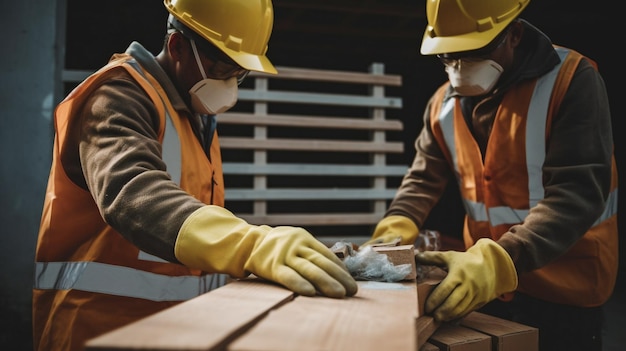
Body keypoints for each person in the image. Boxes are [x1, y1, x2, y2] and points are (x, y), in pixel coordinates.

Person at [32, 0, 358, 350]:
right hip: (97, 329)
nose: (232, 84)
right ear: (178, 47)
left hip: (176, 330)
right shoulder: (116, 97)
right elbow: (131, 192)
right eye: (223, 70)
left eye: (240, 73)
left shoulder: (193, 116)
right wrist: (249, 245)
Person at [362, 0, 618, 350]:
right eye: (448, 55)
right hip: (484, 284)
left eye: (473, 51)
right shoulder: (442, 104)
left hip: (564, 287)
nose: (459, 67)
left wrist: (499, 260)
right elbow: (422, 178)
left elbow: (577, 194)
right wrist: (397, 225)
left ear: (513, 34)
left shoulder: (572, 80)